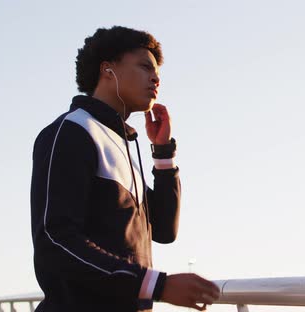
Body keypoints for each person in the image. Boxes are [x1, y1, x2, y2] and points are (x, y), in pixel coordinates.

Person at [30, 26, 220, 312]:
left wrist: (163, 154)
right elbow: (56, 242)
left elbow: (165, 229)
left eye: (157, 72)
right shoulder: (71, 131)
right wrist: (158, 285)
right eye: (145, 66)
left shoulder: (123, 144)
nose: (155, 78)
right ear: (108, 70)